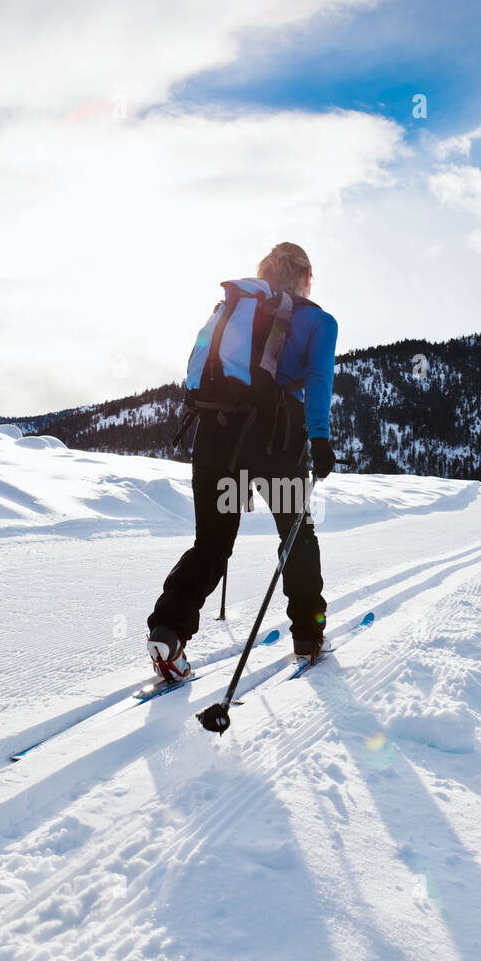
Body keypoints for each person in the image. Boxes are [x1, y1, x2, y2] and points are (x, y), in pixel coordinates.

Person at [147, 242, 338, 681]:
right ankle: (309, 635)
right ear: (305, 276)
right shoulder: (318, 321)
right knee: (296, 533)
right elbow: (319, 381)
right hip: (275, 437)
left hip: (215, 431)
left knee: (212, 543)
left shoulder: (236, 309)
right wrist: (321, 439)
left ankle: (169, 630)